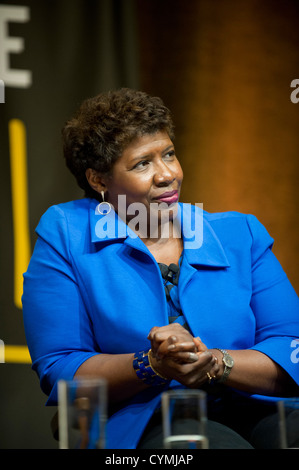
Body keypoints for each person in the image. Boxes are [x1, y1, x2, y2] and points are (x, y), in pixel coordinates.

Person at [22, 88, 299, 449]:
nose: (168, 174)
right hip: (145, 420)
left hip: (260, 409)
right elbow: (60, 367)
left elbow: (291, 345)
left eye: (169, 154)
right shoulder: (67, 234)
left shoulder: (239, 233)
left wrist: (216, 362)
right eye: (143, 163)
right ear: (99, 180)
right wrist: (151, 365)